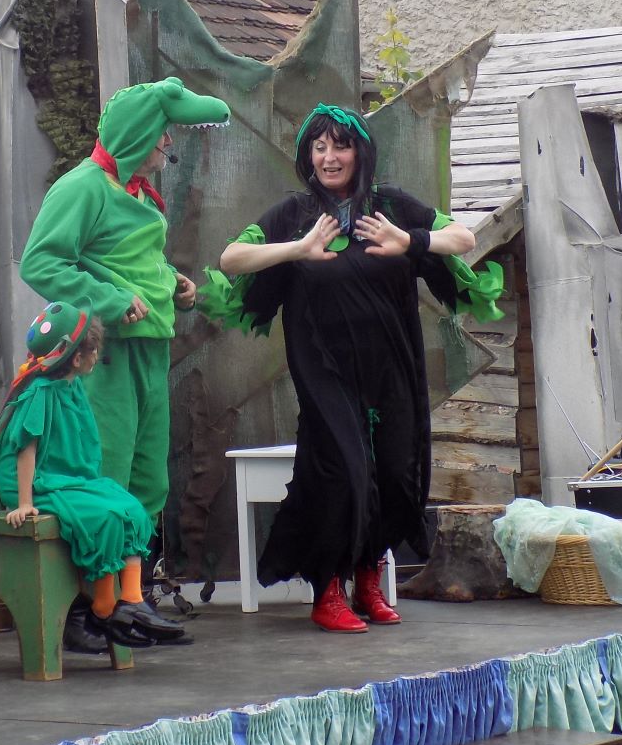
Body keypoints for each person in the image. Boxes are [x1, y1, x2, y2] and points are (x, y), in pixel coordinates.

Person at [213, 104, 500, 633]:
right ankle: (328, 589)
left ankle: (368, 577)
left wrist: (410, 241)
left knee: (394, 471)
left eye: (339, 146)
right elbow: (231, 258)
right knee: (342, 471)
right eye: (319, 147)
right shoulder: (296, 213)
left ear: (359, 152)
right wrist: (298, 249)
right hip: (323, 367)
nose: (328, 157)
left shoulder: (390, 206)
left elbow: (463, 238)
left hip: (391, 362)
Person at [19, 77, 229, 650]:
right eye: (164, 136)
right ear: (139, 135)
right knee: (104, 471)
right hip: (103, 355)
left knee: (146, 476)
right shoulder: (82, 187)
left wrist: (174, 285)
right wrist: (110, 301)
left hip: (149, 350)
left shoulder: (137, 193)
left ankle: (129, 600)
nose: (169, 146)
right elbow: (41, 263)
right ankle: (86, 609)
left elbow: (127, 260)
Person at [0, 301, 188, 646]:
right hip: (37, 482)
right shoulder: (40, 393)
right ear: (75, 357)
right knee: (101, 516)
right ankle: (104, 608)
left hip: (67, 478)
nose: (97, 355)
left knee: (129, 506)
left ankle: (132, 601)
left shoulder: (72, 387)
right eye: (93, 350)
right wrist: (23, 502)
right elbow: (26, 448)